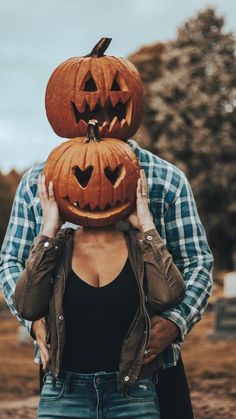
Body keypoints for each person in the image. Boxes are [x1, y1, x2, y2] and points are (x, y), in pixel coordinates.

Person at [0, 139, 213, 419]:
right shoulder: (38, 184)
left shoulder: (167, 179)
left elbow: (197, 263)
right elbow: (12, 263)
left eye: (113, 178)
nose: (97, 190)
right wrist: (34, 322)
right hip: (65, 383)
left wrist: (176, 321)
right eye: (83, 180)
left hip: (148, 377)